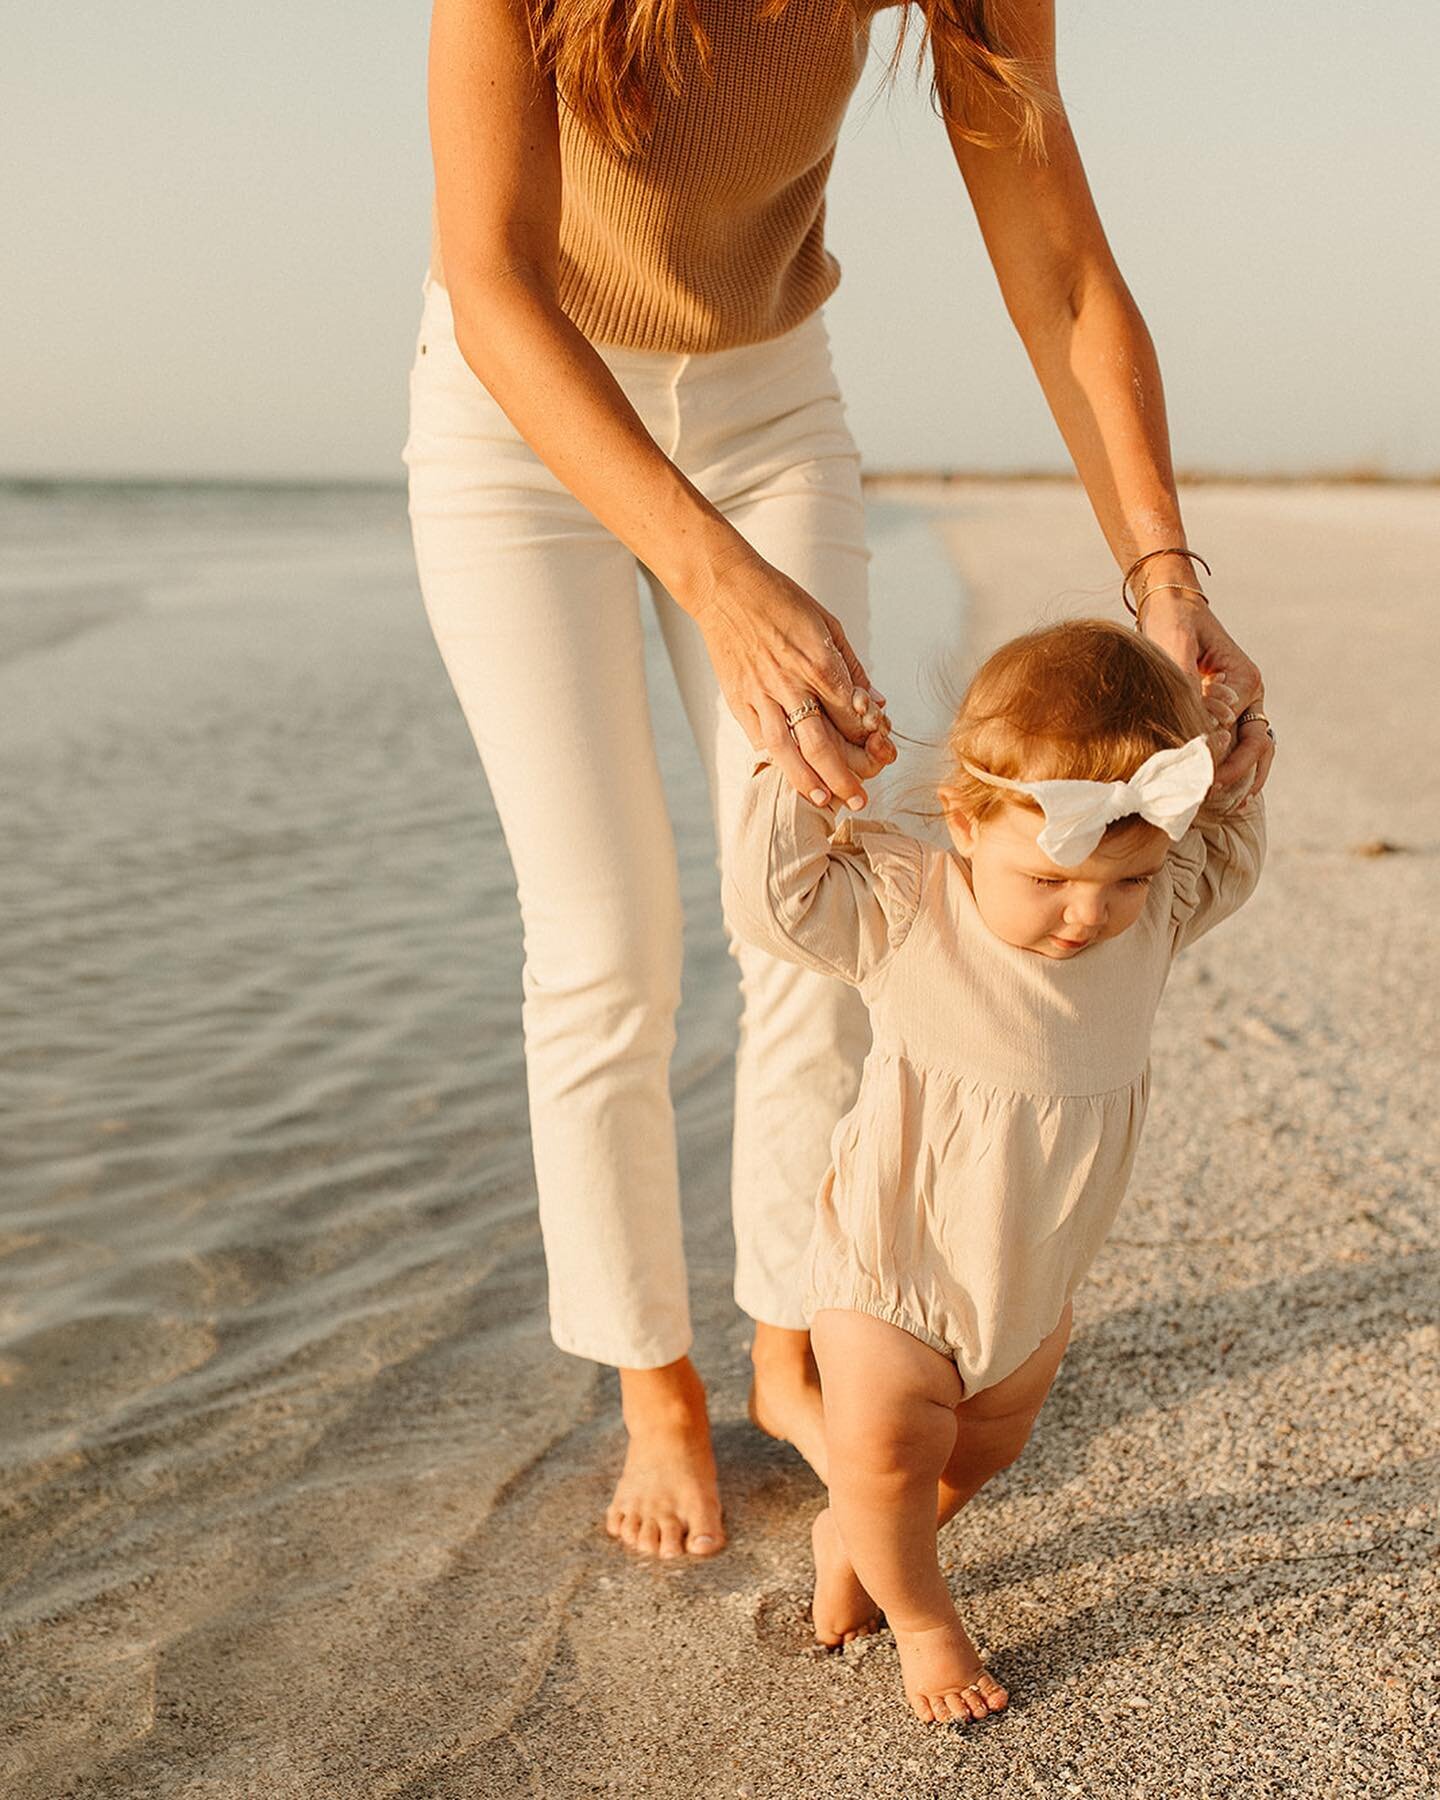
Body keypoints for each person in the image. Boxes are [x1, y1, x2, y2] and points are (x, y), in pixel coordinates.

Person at [404, 0, 1275, 1560]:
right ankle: (653, 1385)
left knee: (823, 904)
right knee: (605, 944)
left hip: (766, 407)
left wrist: (1162, 576)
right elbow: (491, 282)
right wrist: (722, 589)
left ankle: (792, 1334)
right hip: (520, 418)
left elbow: (1063, 273)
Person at [721, 618, 1270, 1720]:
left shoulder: (1151, 916)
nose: (1087, 916)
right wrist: (803, 776)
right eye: (1053, 880)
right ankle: (924, 1620)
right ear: (966, 823)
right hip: (894, 1268)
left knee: (982, 1451)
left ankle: (859, 1538)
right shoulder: (909, 908)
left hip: (1030, 1283)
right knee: (884, 1445)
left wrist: (1232, 770)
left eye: (1123, 883)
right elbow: (773, 902)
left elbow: (1229, 859)